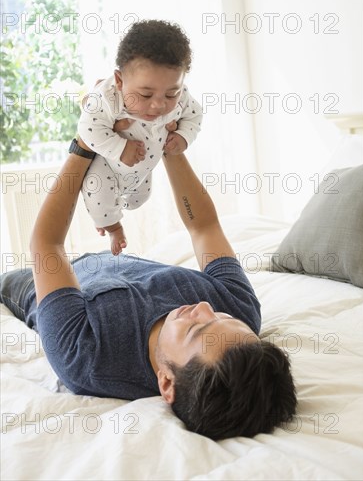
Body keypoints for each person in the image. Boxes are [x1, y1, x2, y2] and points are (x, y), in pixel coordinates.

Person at [0, 137, 297, 440]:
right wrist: (170, 147)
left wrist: (83, 147)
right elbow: (204, 227)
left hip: (47, 288)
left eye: (197, 329)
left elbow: (47, 244)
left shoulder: (87, 357)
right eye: (224, 317)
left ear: (167, 383)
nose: (206, 308)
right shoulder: (240, 311)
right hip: (118, 263)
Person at [78, 19, 202, 255]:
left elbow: (195, 116)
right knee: (100, 197)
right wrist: (120, 148)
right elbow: (87, 129)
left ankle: (121, 203)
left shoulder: (183, 97)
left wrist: (184, 136)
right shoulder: (108, 97)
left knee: (141, 199)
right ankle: (113, 227)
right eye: (145, 95)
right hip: (106, 166)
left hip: (143, 169)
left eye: (171, 93)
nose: (158, 105)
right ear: (119, 81)